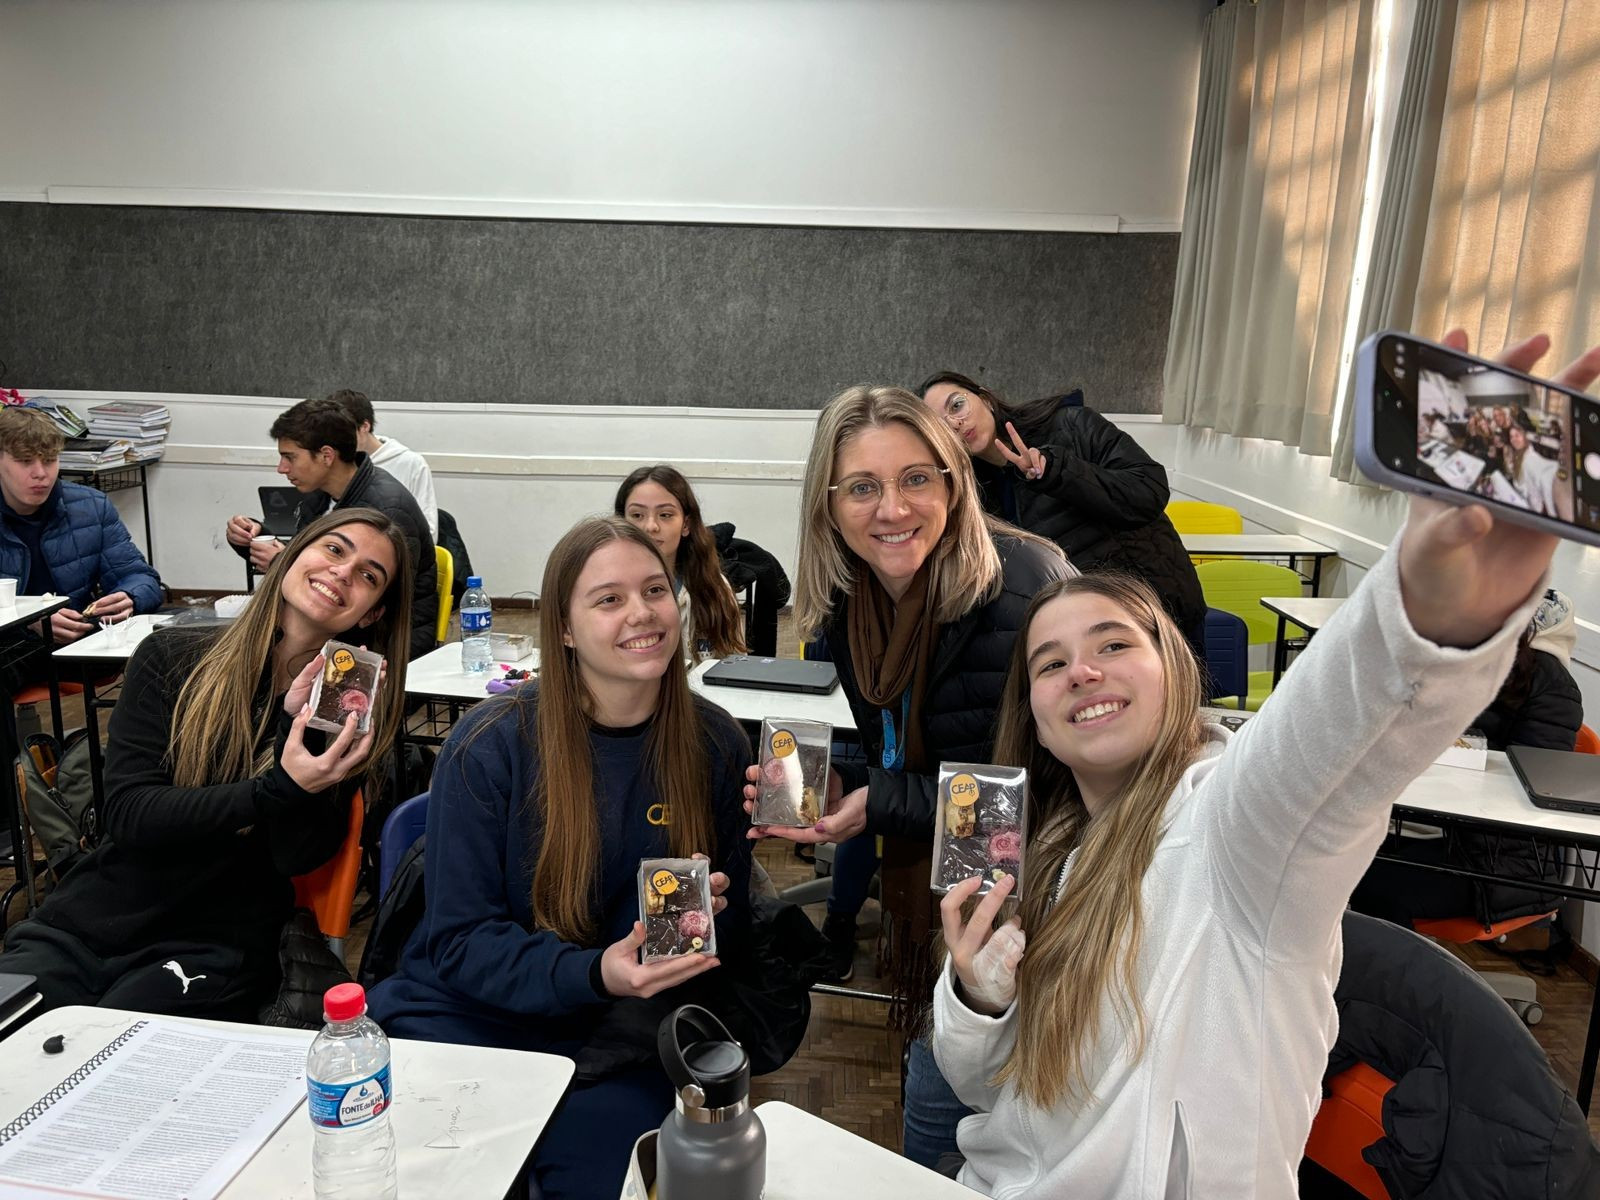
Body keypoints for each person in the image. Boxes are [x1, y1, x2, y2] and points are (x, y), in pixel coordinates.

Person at [928, 329, 1600, 1199]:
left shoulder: (1236, 835)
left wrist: (1429, 609)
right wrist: (978, 999)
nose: (1082, 671)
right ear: (1038, 723)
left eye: (1114, 644)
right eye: (1050, 664)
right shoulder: (1044, 857)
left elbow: (1333, 730)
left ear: (1177, 675)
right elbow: (991, 1094)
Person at [367, 516, 754, 1200]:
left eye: (655, 591)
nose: (642, 613)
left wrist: (712, 919)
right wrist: (596, 971)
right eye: (608, 599)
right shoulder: (490, 744)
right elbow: (460, 942)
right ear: (566, 629)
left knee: (606, 1180)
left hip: (621, 1033)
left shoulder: (716, 743)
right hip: (471, 1015)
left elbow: (730, 935)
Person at [744, 385, 1068, 1168]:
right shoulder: (852, 601)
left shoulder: (1022, 590)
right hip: (954, 891)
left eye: (917, 478)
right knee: (936, 1098)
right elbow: (902, 747)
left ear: (954, 482)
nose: (892, 509)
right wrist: (834, 788)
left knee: (984, 1114)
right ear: (829, 505)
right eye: (863, 487)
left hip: (1048, 900)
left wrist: (878, 801)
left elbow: (1029, 799)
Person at [0, 509, 410, 1018]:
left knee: (117, 1050)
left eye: (369, 575)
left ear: (371, 614)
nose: (343, 572)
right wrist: (275, 789)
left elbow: (293, 856)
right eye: (334, 549)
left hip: (215, 943)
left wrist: (298, 732)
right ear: (290, 557)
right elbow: (130, 815)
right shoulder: (173, 656)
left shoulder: (344, 713)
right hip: (91, 921)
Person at [918, 371, 1206, 659]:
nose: (955, 423)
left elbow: (1149, 490)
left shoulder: (1069, 425)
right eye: (941, 426)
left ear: (985, 399)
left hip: (1154, 607)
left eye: (957, 405)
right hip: (1081, 627)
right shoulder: (974, 489)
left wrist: (1055, 471)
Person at [1350, 587, 1583, 927]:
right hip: (1435, 827)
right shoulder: (1458, 659)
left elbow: (1535, 785)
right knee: (1331, 854)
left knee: (1372, 881)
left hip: (1500, 858)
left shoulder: (1550, 684)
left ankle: (1396, 962)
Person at [224, 397, 437, 660]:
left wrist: (280, 561)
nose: (282, 468)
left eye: (290, 457)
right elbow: (306, 554)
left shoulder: (386, 512)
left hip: (379, 644)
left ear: (326, 455)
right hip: (338, 630)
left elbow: (372, 601)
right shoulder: (320, 494)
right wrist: (254, 536)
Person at [0, 406, 163, 688]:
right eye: (25, 461)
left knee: (174, 640)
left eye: (50, 460)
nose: (41, 473)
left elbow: (141, 577)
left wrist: (129, 597)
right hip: (11, 643)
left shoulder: (90, 506)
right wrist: (28, 620)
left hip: (81, 638)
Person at [615, 465, 747, 661]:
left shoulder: (714, 588)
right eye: (637, 515)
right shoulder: (603, 589)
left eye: (665, 515)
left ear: (686, 524)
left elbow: (736, 665)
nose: (650, 526)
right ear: (621, 523)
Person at [326, 388, 439, 540]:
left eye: (343, 434)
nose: (337, 442)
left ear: (364, 427)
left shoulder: (411, 463)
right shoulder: (333, 460)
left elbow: (429, 533)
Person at [1503, 423, 1561, 515]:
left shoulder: (1530, 458)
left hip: (1537, 510)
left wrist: (1551, 512)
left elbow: (1546, 479)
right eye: (1511, 437)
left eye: (1517, 435)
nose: (1514, 439)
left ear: (1525, 436)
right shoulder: (1518, 456)